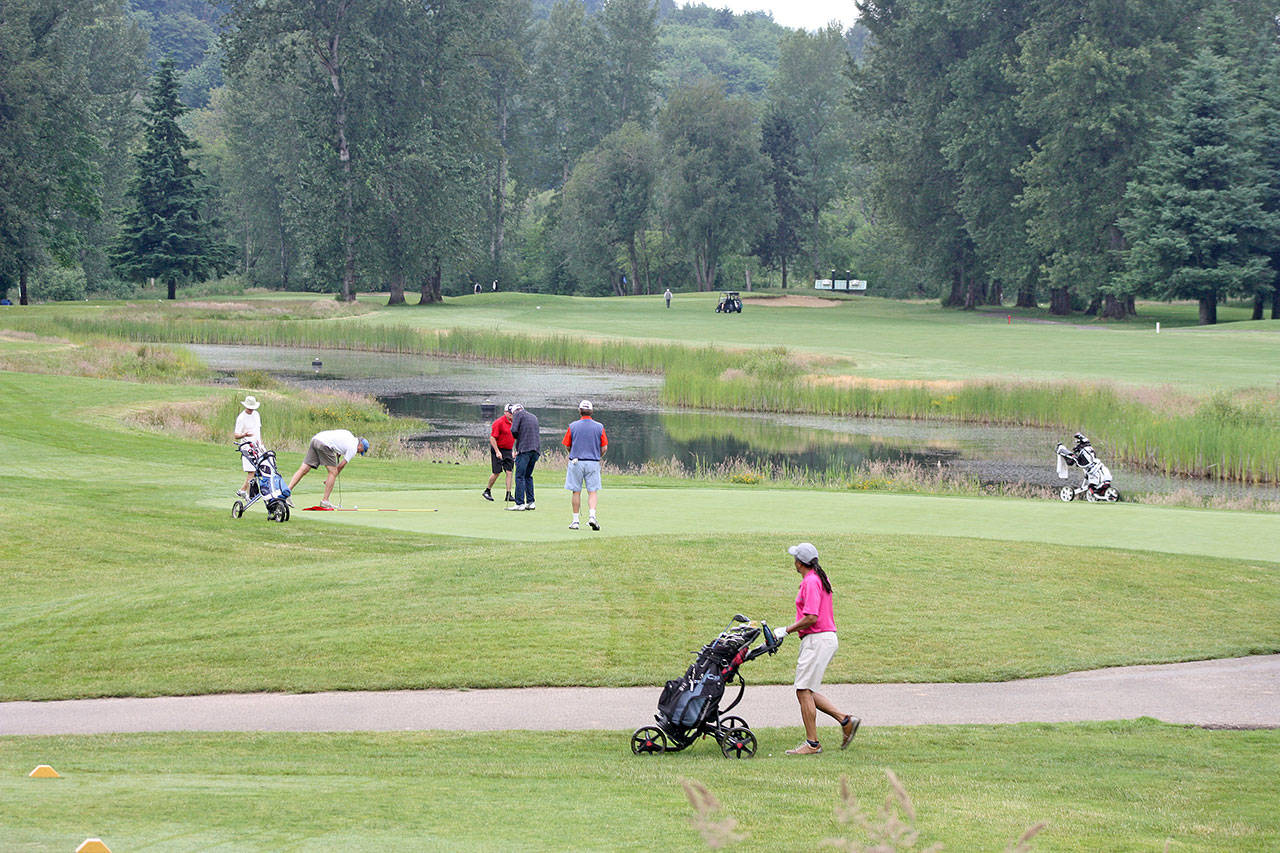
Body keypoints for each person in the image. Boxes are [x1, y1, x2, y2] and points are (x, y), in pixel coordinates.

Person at [773, 542, 859, 755]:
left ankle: (813, 744)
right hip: (823, 639)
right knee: (808, 690)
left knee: (802, 690)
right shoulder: (820, 578)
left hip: (817, 640)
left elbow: (811, 617)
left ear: (799, 562)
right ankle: (846, 721)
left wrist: (786, 630)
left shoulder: (810, 582)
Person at [287, 429, 369, 509]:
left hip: (316, 439)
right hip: (324, 445)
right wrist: (331, 478)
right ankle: (325, 501)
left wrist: (338, 452)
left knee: (304, 469)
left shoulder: (348, 434)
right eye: (361, 451)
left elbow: (337, 439)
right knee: (333, 472)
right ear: (360, 445)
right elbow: (341, 466)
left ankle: (286, 493)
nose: (359, 452)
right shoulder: (353, 448)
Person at [562, 400, 606, 530]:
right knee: (592, 491)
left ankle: (575, 521)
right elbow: (604, 447)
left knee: (576, 491)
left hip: (576, 461)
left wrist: (573, 453)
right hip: (593, 462)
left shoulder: (573, 426)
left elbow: (567, 445)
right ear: (591, 411)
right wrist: (597, 456)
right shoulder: (599, 426)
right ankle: (592, 516)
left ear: (580, 411)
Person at [508, 403, 541, 511]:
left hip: (524, 450)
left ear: (514, 412)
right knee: (528, 476)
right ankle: (531, 502)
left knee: (519, 476)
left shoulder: (518, 415)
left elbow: (513, 430)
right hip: (535, 451)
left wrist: (517, 440)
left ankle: (519, 503)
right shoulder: (533, 416)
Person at [233, 395, 264, 498]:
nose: (251, 410)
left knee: (260, 469)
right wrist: (244, 435)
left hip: (257, 446)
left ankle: (251, 493)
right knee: (252, 471)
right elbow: (236, 435)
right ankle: (242, 490)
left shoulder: (256, 415)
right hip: (247, 447)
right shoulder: (241, 418)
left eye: (252, 408)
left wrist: (261, 443)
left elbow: (258, 430)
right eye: (250, 408)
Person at [484, 404, 516, 503]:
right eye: (509, 413)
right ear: (505, 412)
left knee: (509, 472)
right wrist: (497, 451)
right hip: (497, 449)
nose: (511, 415)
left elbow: (516, 437)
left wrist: (514, 450)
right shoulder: (499, 422)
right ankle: (487, 491)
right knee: (497, 472)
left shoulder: (515, 422)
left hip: (508, 450)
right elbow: (492, 438)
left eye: (513, 413)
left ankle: (508, 494)